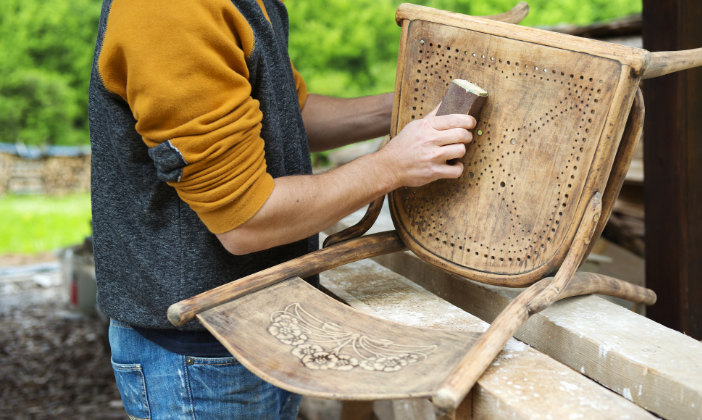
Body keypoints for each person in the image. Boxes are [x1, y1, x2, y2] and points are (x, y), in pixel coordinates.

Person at [88, 0, 475, 418]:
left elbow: (287, 115)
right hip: (200, 357)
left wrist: (410, 109)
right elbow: (246, 221)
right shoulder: (173, 11)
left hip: (262, 329)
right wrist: (391, 166)